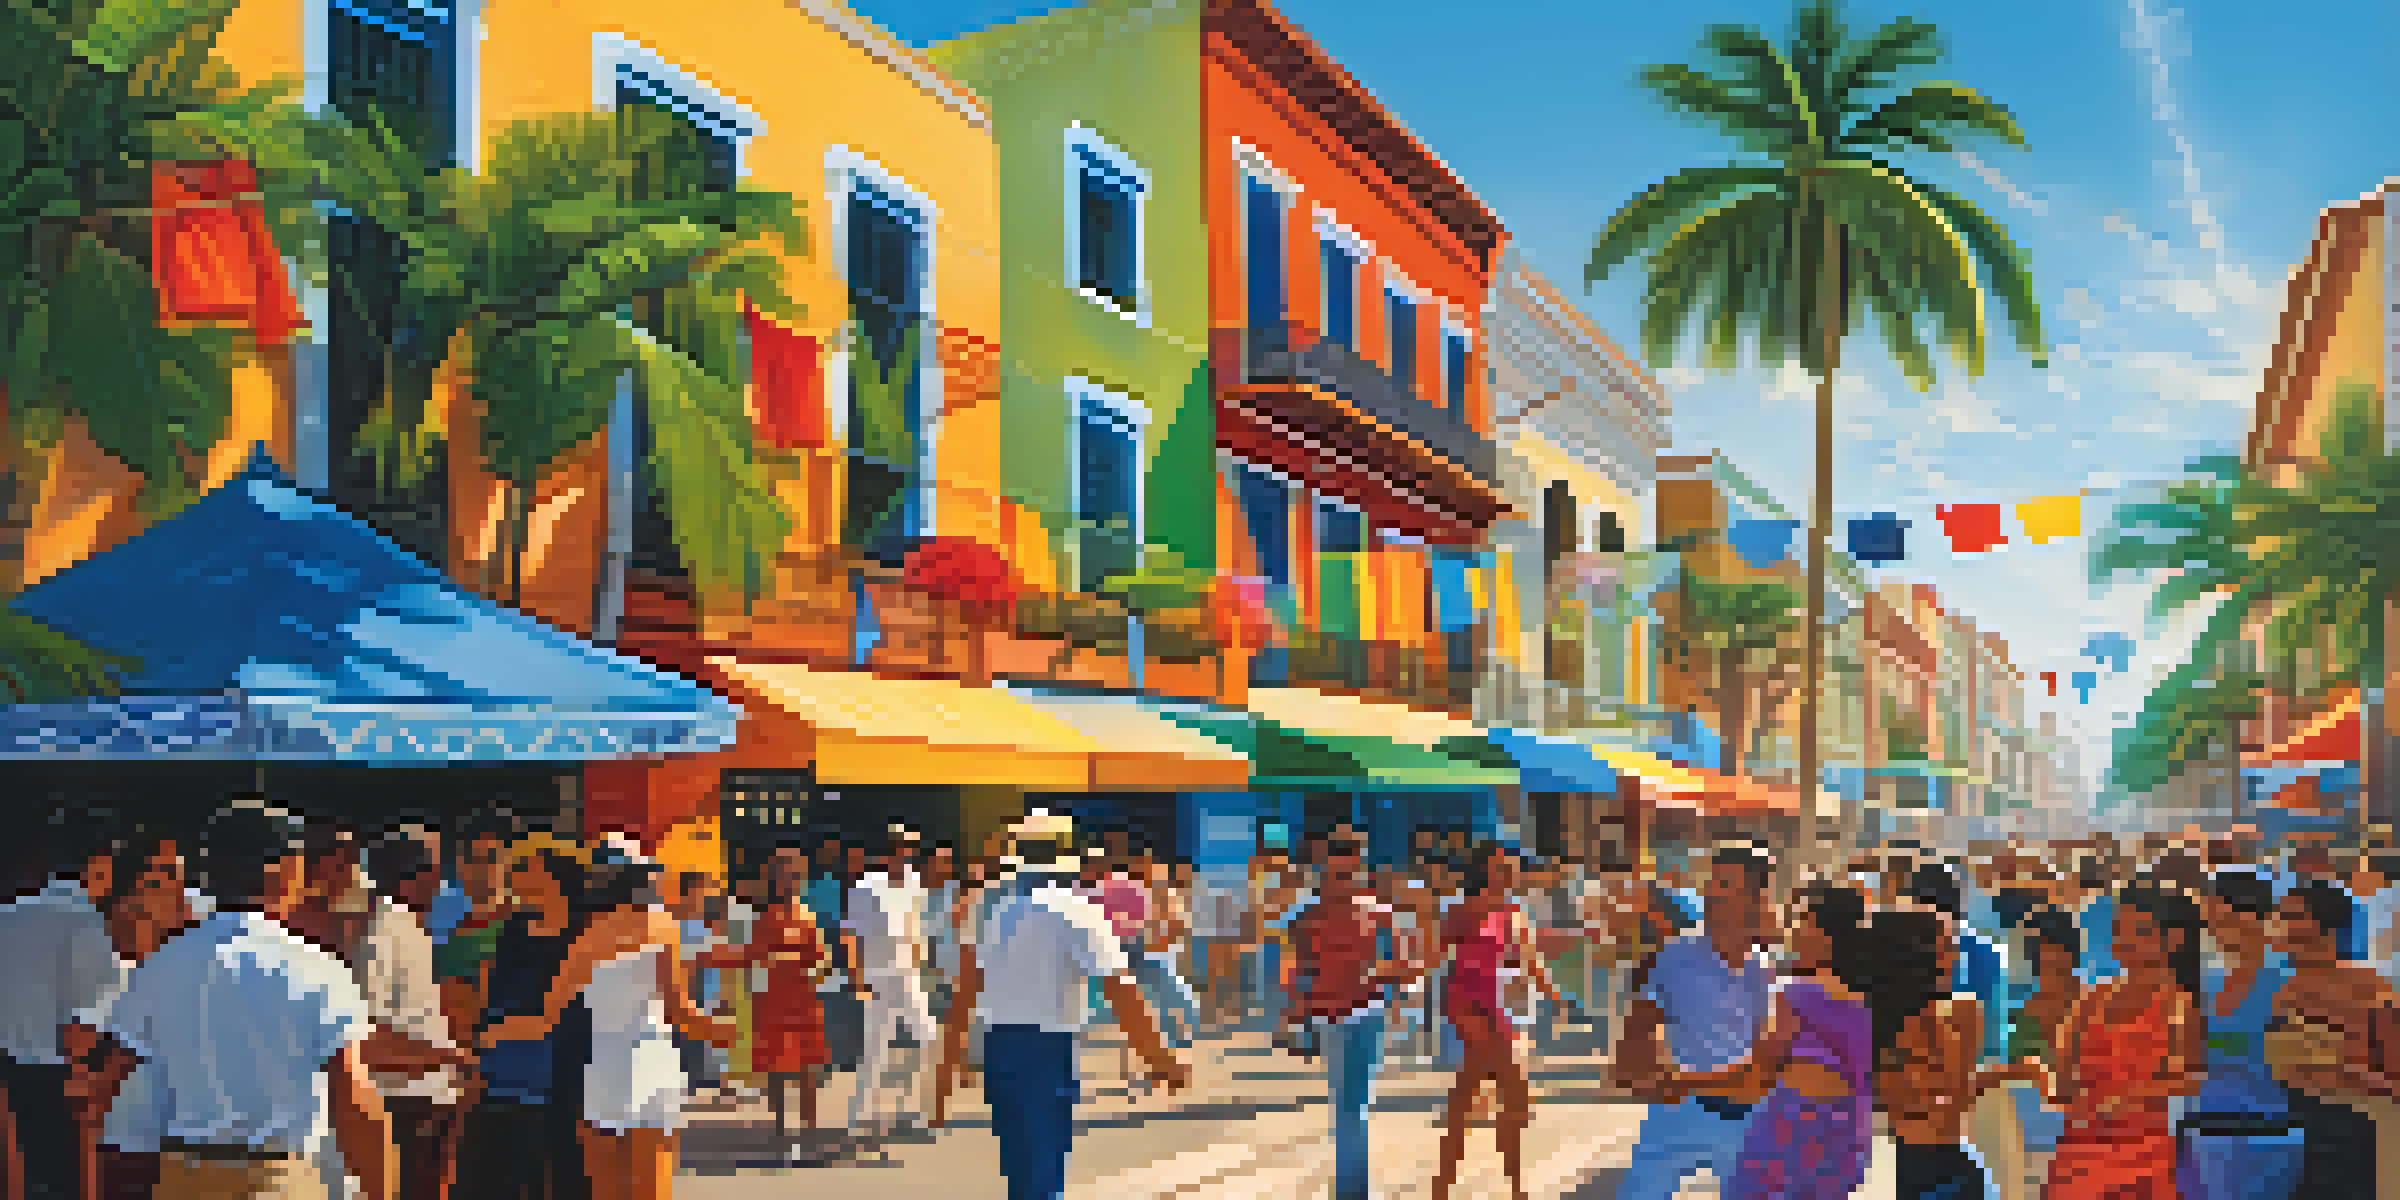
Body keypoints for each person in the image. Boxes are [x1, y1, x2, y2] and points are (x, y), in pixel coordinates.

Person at [91, 799, 394, 1200]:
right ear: (284, 871)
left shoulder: (160, 965)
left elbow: (101, 1083)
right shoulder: (318, 967)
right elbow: (353, 1094)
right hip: (281, 1180)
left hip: (184, 1177)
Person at [945, 812, 1187, 1200]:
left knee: (1022, 1172)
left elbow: (965, 990)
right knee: (1043, 1174)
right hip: (1047, 1050)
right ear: (1068, 855)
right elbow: (1122, 991)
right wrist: (1160, 1060)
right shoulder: (1078, 910)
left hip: (998, 1047)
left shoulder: (992, 911)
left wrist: (947, 1066)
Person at [477, 849, 731, 1200]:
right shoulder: (663, 929)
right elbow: (679, 1013)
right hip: (651, 1066)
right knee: (651, 1188)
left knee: (605, 1189)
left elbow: (546, 1019)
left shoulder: (587, 939)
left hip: (602, 1072)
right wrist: (722, 1031)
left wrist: (491, 1034)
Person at [1672, 882, 1878, 1200]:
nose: (1792, 929)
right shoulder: (1864, 1002)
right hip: (1843, 1145)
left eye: (1801, 920)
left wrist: (1683, 1080)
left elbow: (1757, 1074)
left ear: (1823, 934)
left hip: (1786, 1146)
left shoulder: (1795, 994)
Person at [1609, 845, 1778, 1200]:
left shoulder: (1766, 968)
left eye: (1726, 884)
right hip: (1679, 1112)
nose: (1712, 893)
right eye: (1712, 882)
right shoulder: (1673, 957)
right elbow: (1636, 1033)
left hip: (1747, 1121)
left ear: (1754, 897)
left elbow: (1767, 1056)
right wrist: (1652, 1070)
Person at [1875, 905, 2055, 1200]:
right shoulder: (1956, 1014)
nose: (1956, 959)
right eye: (1946, 947)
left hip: (1912, 1164)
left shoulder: (1879, 1017)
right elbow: (1952, 1100)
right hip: (1936, 1165)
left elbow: (1947, 1096)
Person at [2043, 882, 2205, 1200]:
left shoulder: (2180, 1006)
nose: (2125, 941)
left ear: (2173, 940)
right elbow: (2061, 1077)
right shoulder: (2090, 1000)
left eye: (2140, 932)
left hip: (2146, 1157)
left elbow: (2187, 1080)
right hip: (2080, 1153)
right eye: (2120, 930)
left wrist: (2126, 1099)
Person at [1287, 829, 1422, 1200]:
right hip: (1331, 1017)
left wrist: (1377, 972)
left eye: (1349, 860)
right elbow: (1296, 972)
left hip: (1360, 1014)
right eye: (1337, 861)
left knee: (1350, 1109)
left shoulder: (1376, 913)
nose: (1343, 869)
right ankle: (1354, 1191)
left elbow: (1410, 967)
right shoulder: (1307, 915)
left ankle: (1352, 1191)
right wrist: (1295, 1019)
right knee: (1348, 1108)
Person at [2, 808, 127, 1200]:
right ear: (100, 865)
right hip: (57, 1090)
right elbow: (82, 1032)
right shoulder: (87, 924)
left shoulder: (6, 917)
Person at [453, 837, 588, 1200]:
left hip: (557, 1088)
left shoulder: (583, 935)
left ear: (555, 881)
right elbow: (489, 996)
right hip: (497, 1082)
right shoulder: (513, 929)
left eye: (528, 868)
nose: (515, 875)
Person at [69, 824, 198, 1200]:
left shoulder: (188, 968)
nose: (181, 891)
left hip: (180, 1149)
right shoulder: (107, 972)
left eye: (180, 876)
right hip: (127, 1148)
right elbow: (81, 1068)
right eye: (163, 879)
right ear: (128, 897)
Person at [352, 833, 475, 1200]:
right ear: (414, 876)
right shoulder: (384, 928)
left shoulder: (404, 925)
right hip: (404, 1098)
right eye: (434, 871)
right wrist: (450, 1059)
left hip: (423, 1094)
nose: (440, 883)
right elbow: (368, 1026)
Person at [2266, 876, 2398, 1198]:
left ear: (2323, 926)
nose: (2279, 927)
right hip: (2302, 1135)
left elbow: (2394, 1077)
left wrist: (2340, 1071)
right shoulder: (2283, 992)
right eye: (2280, 917)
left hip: (2359, 1134)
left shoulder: (2369, 987)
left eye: (2291, 918)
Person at [2179, 867, 2302, 1200]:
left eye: (2217, 917)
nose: (2210, 927)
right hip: (2203, 1139)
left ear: (2248, 916)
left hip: (2269, 1140)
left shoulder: (2287, 983)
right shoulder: (2206, 984)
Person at [697, 846, 829, 1152]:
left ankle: (808, 1128)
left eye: (794, 874)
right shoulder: (765, 918)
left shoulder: (808, 917)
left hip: (805, 1001)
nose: (788, 880)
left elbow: (822, 960)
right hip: (771, 1001)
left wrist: (811, 966)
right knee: (775, 1067)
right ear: (774, 879)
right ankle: (781, 1126)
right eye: (783, 874)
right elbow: (750, 957)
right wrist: (715, 959)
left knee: (808, 1066)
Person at [841, 832, 937, 1141]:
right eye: (897, 851)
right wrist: (856, 976)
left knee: (928, 1038)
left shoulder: (915, 883)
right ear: (885, 855)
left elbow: (919, 925)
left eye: (907, 851)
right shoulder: (865, 888)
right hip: (876, 975)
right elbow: (851, 935)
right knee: (875, 1048)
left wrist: (922, 964)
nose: (903, 856)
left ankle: (909, 1109)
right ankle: (861, 1114)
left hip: (909, 974)